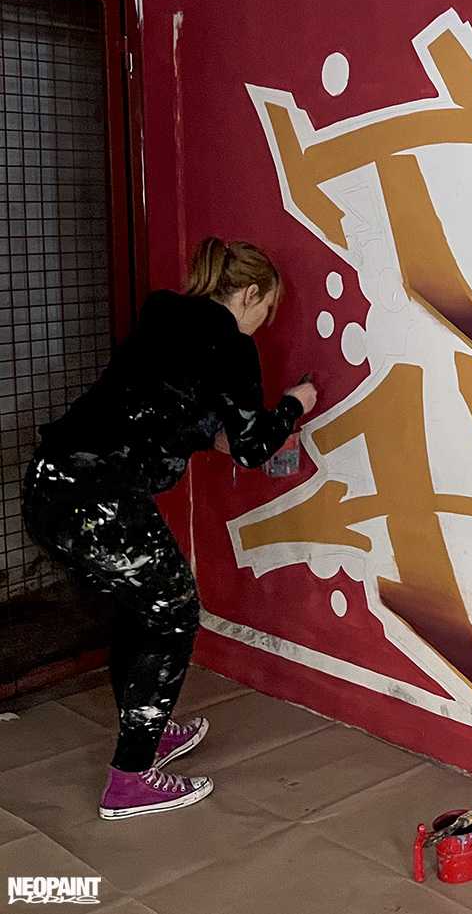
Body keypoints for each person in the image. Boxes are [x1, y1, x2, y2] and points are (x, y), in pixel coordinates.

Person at [21, 238, 317, 820]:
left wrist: (211, 434)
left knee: (140, 609)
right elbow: (253, 448)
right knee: (175, 612)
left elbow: (159, 406)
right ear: (248, 293)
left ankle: (147, 732)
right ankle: (131, 779)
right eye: (266, 309)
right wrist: (294, 404)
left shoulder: (164, 313)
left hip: (51, 484)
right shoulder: (230, 344)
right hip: (99, 498)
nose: (264, 323)